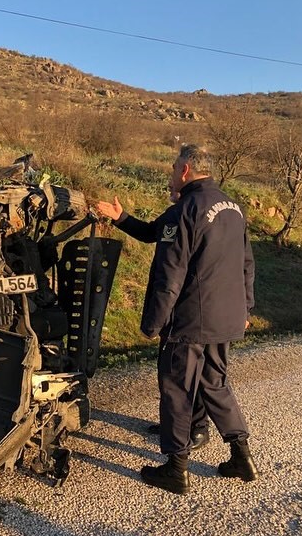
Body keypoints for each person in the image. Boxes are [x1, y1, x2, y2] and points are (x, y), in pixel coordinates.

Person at [97, 144, 257, 494]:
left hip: (190, 321)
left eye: (173, 167)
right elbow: (247, 263)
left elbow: (170, 275)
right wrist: (120, 217)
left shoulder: (186, 209)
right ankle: (242, 456)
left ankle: (175, 468)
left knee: (177, 391)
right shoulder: (232, 207)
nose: (171, 173)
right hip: (226, 317)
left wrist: (153, 323)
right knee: (214, 384)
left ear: (185, 169)